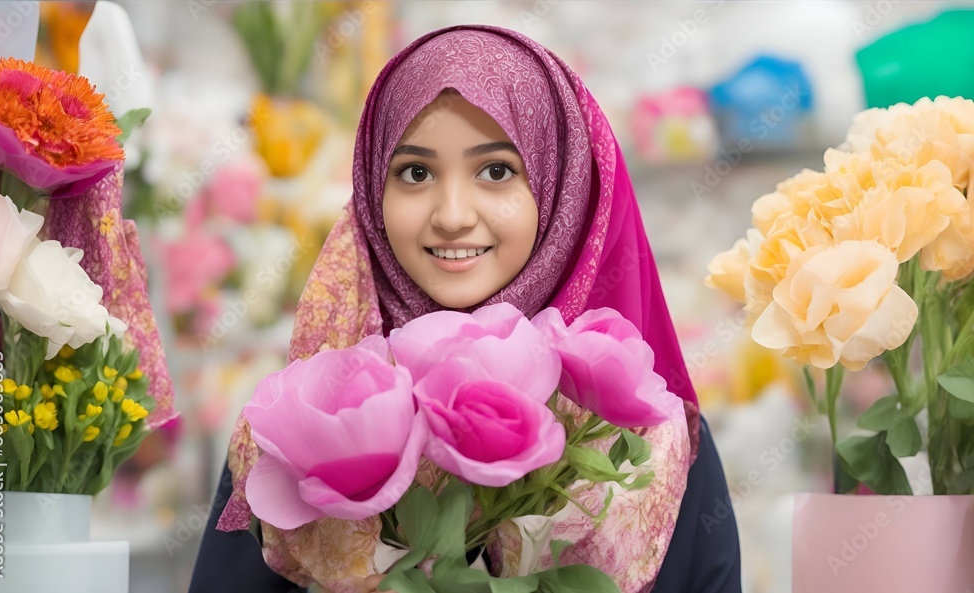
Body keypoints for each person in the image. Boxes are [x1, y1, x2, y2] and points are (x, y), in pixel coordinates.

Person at [189, 25, 740, 593]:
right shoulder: (299, 426)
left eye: (496, 171)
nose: (452, 214)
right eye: (416, 173)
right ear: (374, 189)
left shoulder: (644, 441)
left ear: (563, 190)